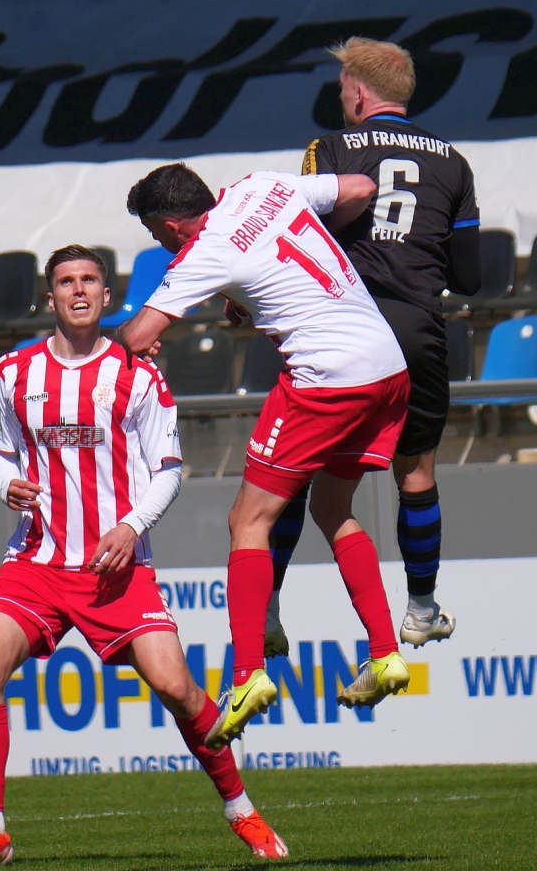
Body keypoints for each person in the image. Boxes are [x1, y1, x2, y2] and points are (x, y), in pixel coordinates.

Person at [0, 244, 288, 870]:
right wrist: (7, 485)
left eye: (90, 280)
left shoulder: (138, 375)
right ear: (50, 297)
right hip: (35, 562)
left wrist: (132, 527)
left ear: (107, 296)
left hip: (116, 569)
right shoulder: (13, 372)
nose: (79, 290)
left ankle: (240, 809)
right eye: (66, 282)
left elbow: (168, 468)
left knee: (177, 688)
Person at [121, 163, 412, 750]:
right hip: (386, 365)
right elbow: (359, 189)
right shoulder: (262, 187)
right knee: (332, 509)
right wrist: (262, 283)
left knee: (247, 521)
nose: (160, 243)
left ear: (172, 225)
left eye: (154, 233)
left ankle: (248, 674)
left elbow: (137, 337)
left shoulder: (202, 251)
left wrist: (117, 343)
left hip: (326, 377)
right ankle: (385, 654)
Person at [264, 36, 481, 662]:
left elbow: (299, 236)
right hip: (416, 331)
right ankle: (421, 609)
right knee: (416, 473)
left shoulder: (330, 150)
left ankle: (270, 608)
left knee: (296, 471)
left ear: (359, 92)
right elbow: (468, 277)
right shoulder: (454, 163)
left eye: (342, 91)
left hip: (342, 330)